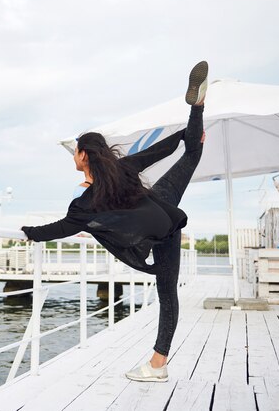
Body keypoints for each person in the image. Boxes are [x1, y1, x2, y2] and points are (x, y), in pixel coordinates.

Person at [21, 61, 208, 382]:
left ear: (82, 155)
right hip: (162, 205)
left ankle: (158, 367)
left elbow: (62, 228)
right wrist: (183, 135)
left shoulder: (85, 204)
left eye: (75, 153)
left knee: (167, 294)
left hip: (155, 234)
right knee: (193, 153)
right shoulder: (121, 169)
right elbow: (154, 153)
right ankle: (198, 107)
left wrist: (28, 232)